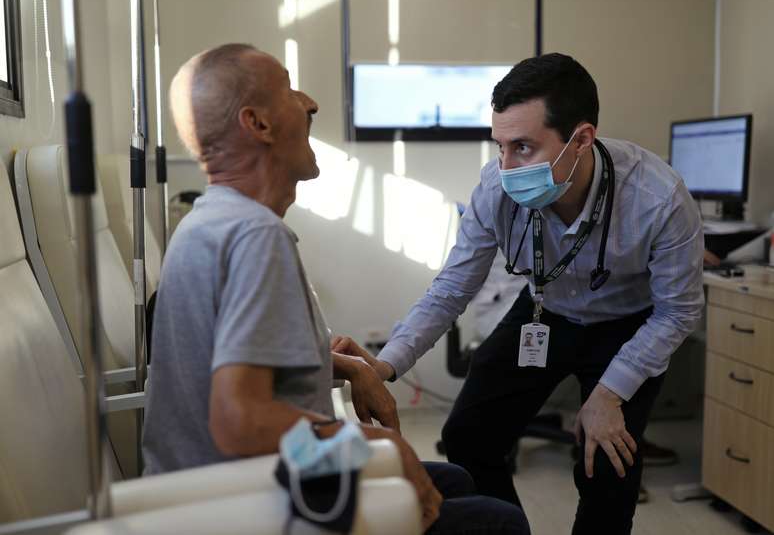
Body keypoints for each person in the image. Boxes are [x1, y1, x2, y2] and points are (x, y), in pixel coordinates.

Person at [141, 43, 529, 535]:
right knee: (500, 524)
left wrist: (345, 366)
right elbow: (240, 421)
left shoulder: (211, 221)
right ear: (257, 124)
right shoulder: (256, 236)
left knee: (452, 478)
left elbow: (233, 373)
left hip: (211, 487)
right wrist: (374, 448)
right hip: (247, 501)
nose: (310, 104)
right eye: (288, 91)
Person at [335, 53, 704, 534]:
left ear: (582, 139)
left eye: (524, 148)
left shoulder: (659, 198)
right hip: (545, 312)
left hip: (629, 327)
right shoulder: (496, 187)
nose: (507, 168)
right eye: (500, 146)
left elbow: (678, 312)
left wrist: (609, 394)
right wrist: (383, 366)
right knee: (468, 435)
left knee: (608, 463)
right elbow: (452, 287)